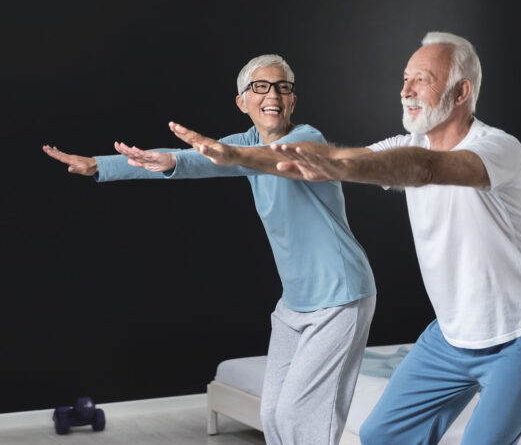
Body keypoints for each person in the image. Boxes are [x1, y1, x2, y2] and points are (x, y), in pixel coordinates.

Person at [176, 33, 521, 444]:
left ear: (461, 91)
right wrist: (240, 156)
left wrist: (348, 167)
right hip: (452, 336)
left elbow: (425, 169)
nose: (406, 90)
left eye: (422, 79)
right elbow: (345, 159)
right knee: (381, 435)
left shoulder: (498, 148)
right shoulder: (405, 144)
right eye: (404, 78)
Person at [42, 54, 376, 445]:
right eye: (260, 87)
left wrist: (221, 156)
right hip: (295, 303)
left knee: (300, 416)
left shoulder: (307, 139)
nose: (273, 95)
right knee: (272, 414)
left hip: (341, 297)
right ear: (242, 102)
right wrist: (102, 165)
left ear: (293, 100)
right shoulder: (244, 144)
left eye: (282, 87)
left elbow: (269, 160)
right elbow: (190, 160)